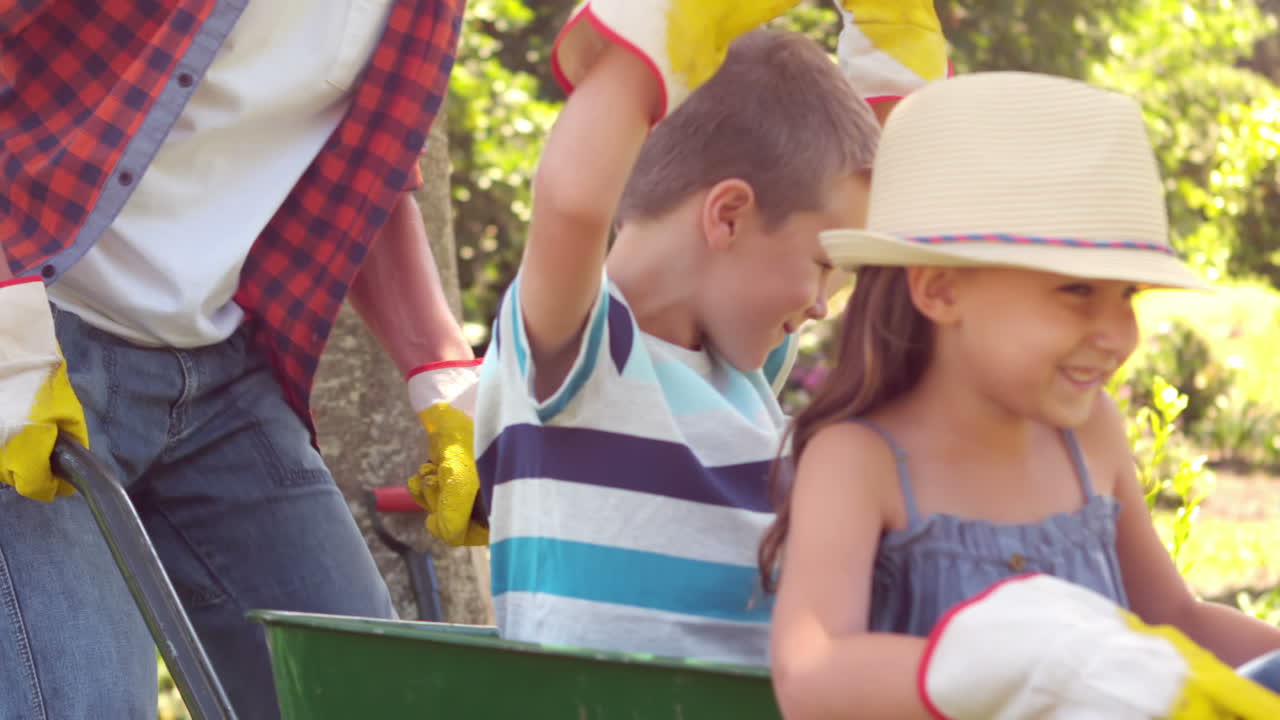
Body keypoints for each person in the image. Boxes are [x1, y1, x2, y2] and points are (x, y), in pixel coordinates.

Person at [0, 2, 478, 718]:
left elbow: (367, 172)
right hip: (44, 345)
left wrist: (447, 381)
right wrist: (9, 343)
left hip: (221, 373)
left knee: (353, 692)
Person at [761, 70, 1280, 718]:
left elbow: (1173, 616)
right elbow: (811, 674)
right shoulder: (861, 462)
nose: (1119, 334)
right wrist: (1018, 666)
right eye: (1076, 291)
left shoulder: (1089, 434)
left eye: (1129, 296)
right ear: (941, 291)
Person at [469, 0, 885, 662]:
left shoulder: (746, 368)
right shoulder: (583, 352)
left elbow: (854, 205)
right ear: (727, 217)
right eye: (823, 266)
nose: (823, 307)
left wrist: (887, 57)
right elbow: (572, 203)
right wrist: (661, 27)